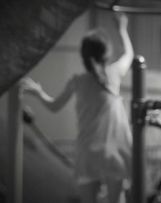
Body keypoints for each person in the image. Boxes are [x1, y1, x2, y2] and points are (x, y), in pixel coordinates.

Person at [23, 13, 134, 203]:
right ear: (106, 54)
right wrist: (122, 28)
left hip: (88, 153)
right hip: (115, 152)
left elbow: (53, 106)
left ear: (83, 57)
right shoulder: (113, 74)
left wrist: (38, 91)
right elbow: (129, 55)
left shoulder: (77, 82)